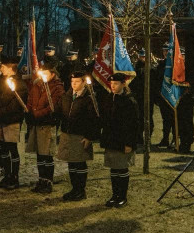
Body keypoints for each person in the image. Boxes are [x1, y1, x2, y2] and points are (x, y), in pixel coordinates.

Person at [57, 70, 101, 201]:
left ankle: (80, 190)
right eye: (72, 82)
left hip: (80, 134)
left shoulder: (89, 98)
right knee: (71, 162)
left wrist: (89, 136)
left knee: (79, 163)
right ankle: (74, 188)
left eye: (77, 82)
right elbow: (61, 111)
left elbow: (94, 119)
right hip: (68, 133)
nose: (73, 84)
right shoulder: (67, 96)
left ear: (83, 83)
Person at [100, 73, 139, 207]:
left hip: (122, 140)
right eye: (111, 84)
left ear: (123, 84)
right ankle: (115, 195)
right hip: (111, 139)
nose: (113, 86)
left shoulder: (129, 101)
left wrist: (129, 143)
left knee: (122, 169)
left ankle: (122, 196)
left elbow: (133, 125)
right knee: (113, 168)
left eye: (116, 84)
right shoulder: (109, 98)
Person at [26, 62, 64, 194]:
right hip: (36, 123)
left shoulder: (57, 88)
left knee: (46, 154)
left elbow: (53, 106)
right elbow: (30, 100)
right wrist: (30, 111)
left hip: (47, 123)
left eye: (46, 73)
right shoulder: (37, 85)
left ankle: (48, 181)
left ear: (52, 74)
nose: (42, 76)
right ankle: (41, 179)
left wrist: (37, 114)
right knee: (39, 154)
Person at [0, 57, 27, 189]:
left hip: (12, 119)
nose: (1, 69)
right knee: (3, 149)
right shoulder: (0, 81)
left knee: (12, 148)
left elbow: (17, 103)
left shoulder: (20, 84)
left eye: (4, 67)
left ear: (11, 69)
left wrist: (3, 111)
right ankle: (7, 175)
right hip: (0, 119)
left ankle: (15, 177)